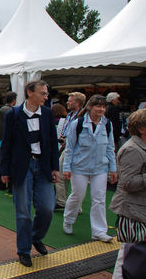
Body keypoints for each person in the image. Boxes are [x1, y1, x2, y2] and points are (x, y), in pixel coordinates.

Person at [0, 80, 60, 267]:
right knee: (23, 211)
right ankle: (24, 250)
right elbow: (7, 143)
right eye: (42, 93)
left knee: (47, 208)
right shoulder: (14, 115)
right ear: (29, 92)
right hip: (21, 168)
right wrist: (4, 170)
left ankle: (36, 237)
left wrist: (54, 167)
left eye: (46, 93)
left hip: (42, 167)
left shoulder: (48, 114)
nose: (46, 96)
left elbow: (52, 141)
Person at [62, 94, 117, 242]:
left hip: (100, 167)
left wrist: (113, 168)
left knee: (99, 198)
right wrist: (66, 168)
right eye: (98, 106)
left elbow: (110, 147)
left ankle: (99, 231)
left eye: (104, 107)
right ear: (90, 107)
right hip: (79, 166)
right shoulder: (78, 124)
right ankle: (68, 219)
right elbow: (70, 147)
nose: (101, 109)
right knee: (77, 195)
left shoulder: (107, 124)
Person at [109, 109, 146, 279]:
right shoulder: (133, 149)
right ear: (142, 128)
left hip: (138, 209)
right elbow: (127, 184)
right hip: (133, 211)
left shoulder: (140, 146)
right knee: (128, 256)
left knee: (129, 255)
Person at [55, 92, 86, 210]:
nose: (67, 102)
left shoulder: (82, 117)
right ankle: (62, 202)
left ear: (77, 103)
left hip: (77, 150)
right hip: (66, 148)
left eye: (70, 100)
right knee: (61, 175)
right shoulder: (69, 115)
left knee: (76, 179)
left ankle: (75, 206)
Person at [0, 91, 17, 190]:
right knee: (11, 161)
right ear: (14, 100)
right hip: (8, 139)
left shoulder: (1, 109)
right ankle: (11, 186)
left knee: (3, 160)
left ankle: (2, 184)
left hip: (0, 138)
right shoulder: (11, 111)